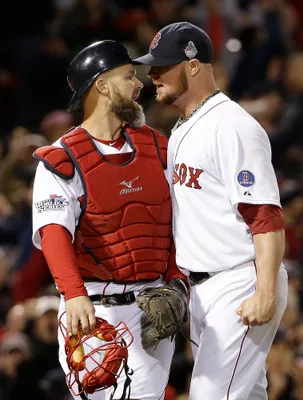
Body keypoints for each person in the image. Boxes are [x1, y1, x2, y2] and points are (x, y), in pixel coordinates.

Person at [134, 22, 288, 400]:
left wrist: (264, 291)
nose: (152, 74)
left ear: (193, 65)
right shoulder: (185, 126)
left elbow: (265, 216)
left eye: (162, 65)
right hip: (203, 289)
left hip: (239, 283)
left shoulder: (231, 126)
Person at [31, 40, 188, 400]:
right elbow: (54, 233)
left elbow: (178, 223)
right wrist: (73, 295)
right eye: (129, 76)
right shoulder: (61, 158)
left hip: (154, 306)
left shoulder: (159, 148)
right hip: (94, 309)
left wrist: (178, 282)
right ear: (102, 85)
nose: (139, 85)